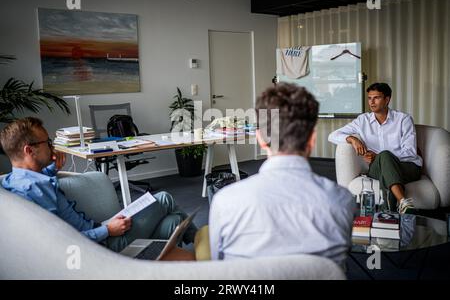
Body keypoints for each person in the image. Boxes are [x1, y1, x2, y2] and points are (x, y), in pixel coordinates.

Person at [208, 83, 355, 267]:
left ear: (260, 138)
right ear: (312, 139)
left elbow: (218, 265)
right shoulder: (342, 200)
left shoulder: (225, 201)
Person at [0, 117, 197, 253]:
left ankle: (174, 252)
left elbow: (39, 183)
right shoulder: (33, 191)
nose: (53, 146)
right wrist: (107, 230)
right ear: (30, 150)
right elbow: (59, 242)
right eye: (48, 142)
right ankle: (202, 241)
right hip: (100, 245)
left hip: (99, 231)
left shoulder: (16, 180)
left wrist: (51, 169)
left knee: (173, 221)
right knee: (164, 198)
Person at [328, 82, 422, 214]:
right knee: (385, 160)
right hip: (376, 168)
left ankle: (388, 213)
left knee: (385, 158)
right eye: (369, 98)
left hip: (408, 167)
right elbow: (332, 135)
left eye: (376, 98)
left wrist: (380, 157)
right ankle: (403, 203)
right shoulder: (362, 120)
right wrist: (352, 139)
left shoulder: (403, 119)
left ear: (387, 99)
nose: (372, 102)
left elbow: (410, 152)